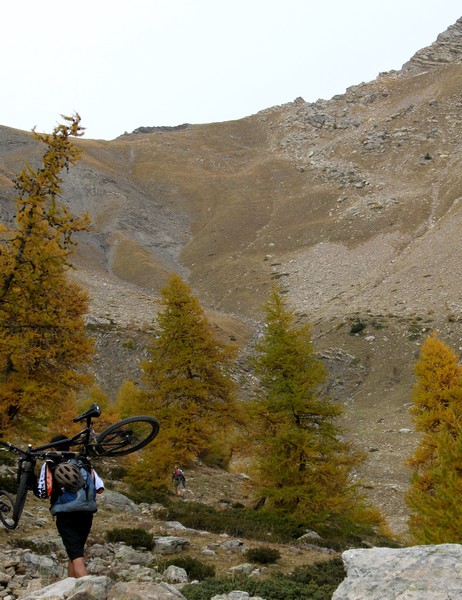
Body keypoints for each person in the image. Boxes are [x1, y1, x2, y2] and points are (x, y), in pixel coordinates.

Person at [35, 435, 104, 578]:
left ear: (53, 448)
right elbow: (99, 487)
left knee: (77, 559)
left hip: (66, 514)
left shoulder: (50, 462)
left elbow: (43, 492)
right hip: (86, 512)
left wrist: (30, 482)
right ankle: (72, 588)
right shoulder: (83, 461)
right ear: (69, 447)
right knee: (75, 553)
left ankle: (89, 591)